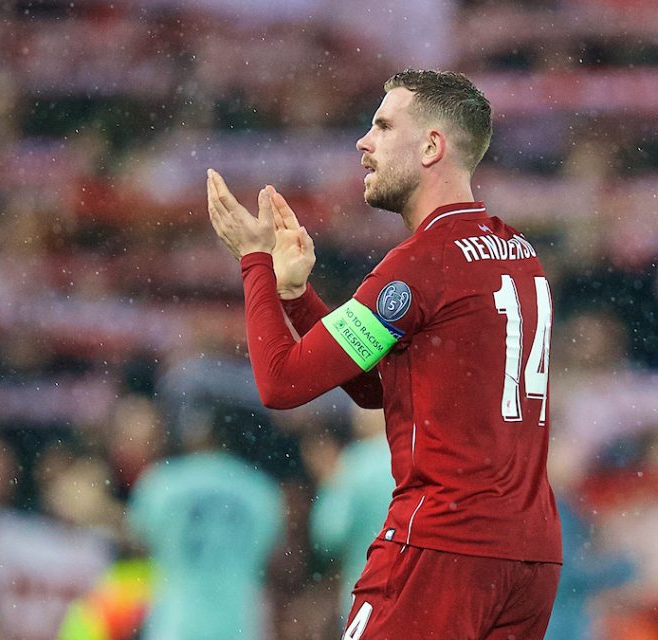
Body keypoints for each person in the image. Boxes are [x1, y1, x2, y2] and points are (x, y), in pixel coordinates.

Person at [206, 69, 562, 639]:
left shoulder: (423, 262)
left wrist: (254, 262)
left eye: (382, 125)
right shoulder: (518, 254)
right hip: (530, 555)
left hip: (442, 545)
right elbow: (383, 388)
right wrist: (296, 297)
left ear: (431, 146)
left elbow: (280, 383)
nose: (363, 142)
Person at [126, 406, 284, 640]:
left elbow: (136, 544)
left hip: (176, 623)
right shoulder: (259, 488)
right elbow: (274, 560)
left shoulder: (162, 481)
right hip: (238, 624)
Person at [309, 406, 395, 621]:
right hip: (416, 598)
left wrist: (328, 483)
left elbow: (328, 535)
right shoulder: (418, 457)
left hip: (365, 600)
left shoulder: (355, 463)